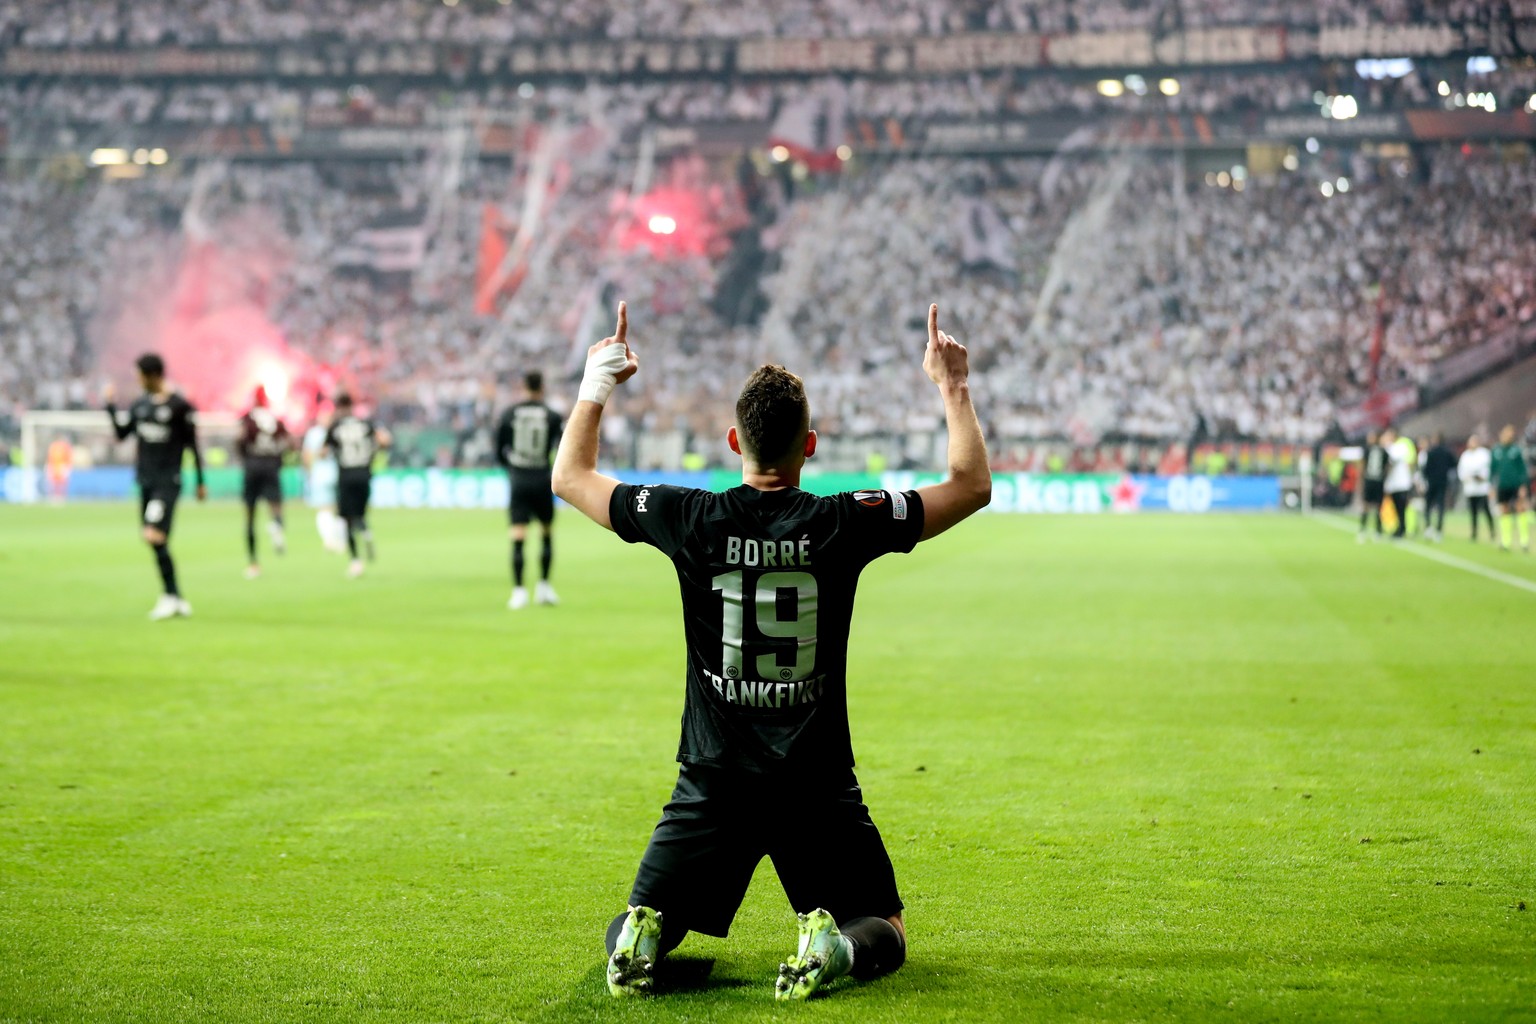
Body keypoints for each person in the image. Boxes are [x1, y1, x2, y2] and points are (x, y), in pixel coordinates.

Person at [553, 302, 991, 1001]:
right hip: (812, 777)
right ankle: (837, 949)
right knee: (885, 925)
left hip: (712, 777)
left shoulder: (687, 515)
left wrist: (596, 383)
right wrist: (953, 386)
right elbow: (971, 486)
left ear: (734, 441)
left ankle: (642, 936)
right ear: (809, 446)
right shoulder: (844, 521)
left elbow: (571, 478)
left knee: (650, 912)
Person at [104, 353, 206, 620]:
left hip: (167, 482)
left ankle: (171, 597)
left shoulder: (179, 406)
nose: (137, 380)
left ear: (152, 375)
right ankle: (175, 597)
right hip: (146, 482)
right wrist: (110, 406)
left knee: (154, 535)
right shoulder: (140, 406)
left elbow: (193, 445)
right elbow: (121, 433)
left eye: (139, 375)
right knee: (153, 538)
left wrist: (200, 481)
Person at [494, 371, 564, 610]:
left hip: (519, 478)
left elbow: (498, 448)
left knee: (518, 534)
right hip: (543, 477)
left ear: (523, 386)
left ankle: (519, 591)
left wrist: (512, 470)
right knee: (546, 532)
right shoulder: (552, 416)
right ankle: (544, 587)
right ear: (542, 387)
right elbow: (563, 448)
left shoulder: (509, 413)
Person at [324, 393, 392, 578]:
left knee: (346, 518)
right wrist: (374, 453)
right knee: (360, 514)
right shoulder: (365, 424)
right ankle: (366, 532)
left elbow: (322, 452)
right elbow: (385, 440)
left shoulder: (336, 426)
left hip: (346, 475)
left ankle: (355, 560)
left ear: (338, 407)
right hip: (364, 474)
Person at [237, 386, 292, 578]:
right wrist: (279, 457)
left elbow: (239, 438)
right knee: (276, 506)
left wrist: (245, 457)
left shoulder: (248, 418)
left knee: (250, 516)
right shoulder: (275, 419)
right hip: (271, 465)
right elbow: (290, 442)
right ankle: (276, 526)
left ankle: (253, 562)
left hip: (252, 465)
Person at [302, 406, 345, 554]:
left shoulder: (313, 434)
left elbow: (307, 456)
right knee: (338, 508)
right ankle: (337, 539)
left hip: (322, 475)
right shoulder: (337, 431)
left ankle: (330, 539)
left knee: (325, 508)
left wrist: (308, 473)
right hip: (336, 473)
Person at [1489, 424, 1531, 553]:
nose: (1509, 436)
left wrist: (1523, 485)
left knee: (1520, 509)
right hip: (1502, 485)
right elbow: (1492, 470)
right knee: (1504, 511)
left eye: (1511, 434)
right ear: (1502, 434)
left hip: (1516, 485)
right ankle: (1506, 541)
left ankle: (1524, 541)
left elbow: (1523, 469)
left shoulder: (1516, 450)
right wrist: (1492, 487)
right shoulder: (1496, 450)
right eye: (1507, 433)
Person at [1420, 433, 1455, 543]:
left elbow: (1425, 469)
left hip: (1432, 482)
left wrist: (1426, 478)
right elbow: (1453, 464)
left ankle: (1428, 527)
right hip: (1443, 482)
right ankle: (1439, 530)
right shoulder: (1447, 452)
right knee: (1441, 506)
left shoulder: (1431, 452)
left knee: (1428, 505)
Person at [1458, 434, 1494, 542]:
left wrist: (1483, 477)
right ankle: (1474, 532)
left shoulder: (1484, 454)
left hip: (1482, 487)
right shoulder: (1465, 455)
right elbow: (1461, 471)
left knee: (1486, 510)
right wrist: (1467, 478)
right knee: (1473, 512)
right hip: (1471, 488)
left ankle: (1492, 530)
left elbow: (1490, 468)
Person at [1382, 427, 1414, 541]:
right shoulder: (1389, 448)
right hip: (1392, 484)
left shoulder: (1400, 447)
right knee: (1395, 507)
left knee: (1401, 507)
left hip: (1401, 483)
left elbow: (1392, 460)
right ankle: (1399, 528)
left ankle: (1402, 528)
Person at [1356, 429, 1386, 542]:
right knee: (1369, 506)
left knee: (1375, 507)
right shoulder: (1379, 450)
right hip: (1375, 481)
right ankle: (1367, 530)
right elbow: (1388, 466)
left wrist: (1361, 481)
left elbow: (1362, 466)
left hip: (1373, 481)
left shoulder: (1371, 450)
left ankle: (1374, 531)